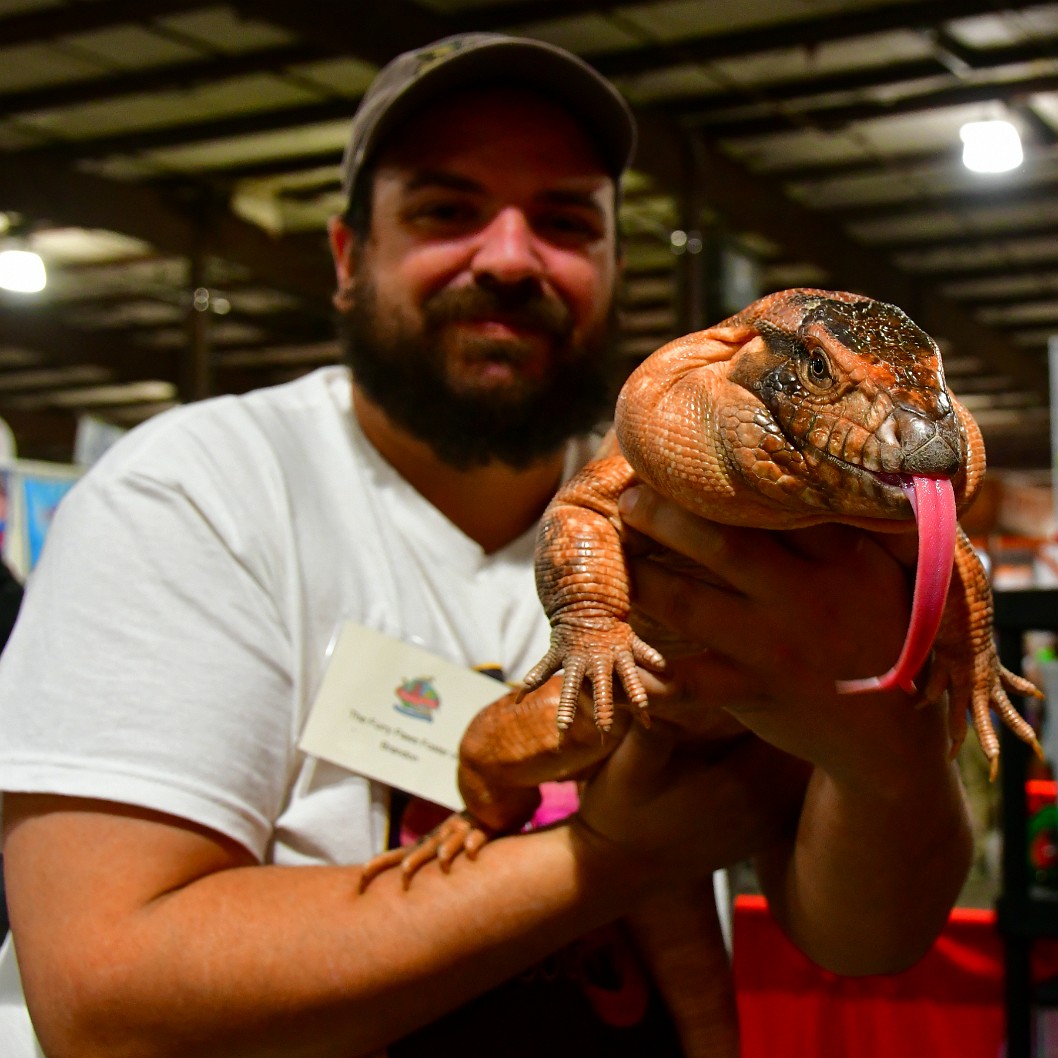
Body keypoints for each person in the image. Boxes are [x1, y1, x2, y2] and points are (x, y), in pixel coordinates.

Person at [0, 31, 972, 1058]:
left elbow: (863, 940)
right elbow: (106, 1004)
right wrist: (606, 859)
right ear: (345, 257)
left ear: (611, 265)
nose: (508, 257)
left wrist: (886, 751)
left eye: (562, 220)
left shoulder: (734, 512)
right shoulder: (196, 491)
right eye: (443, 210)